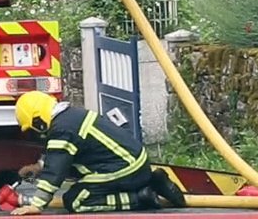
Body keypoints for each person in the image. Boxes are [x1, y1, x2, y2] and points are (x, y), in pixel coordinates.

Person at [10, 91, 187, 215]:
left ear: (37, 120)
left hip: (124, 170)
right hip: (135, 163)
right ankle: (152, 181)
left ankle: (140, 197)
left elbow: (56, 171)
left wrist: (36, 205)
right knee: (81, 184)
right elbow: (63, 158)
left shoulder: (61, 130)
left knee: (75, 200)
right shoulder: (72, 117)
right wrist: (38, 167)